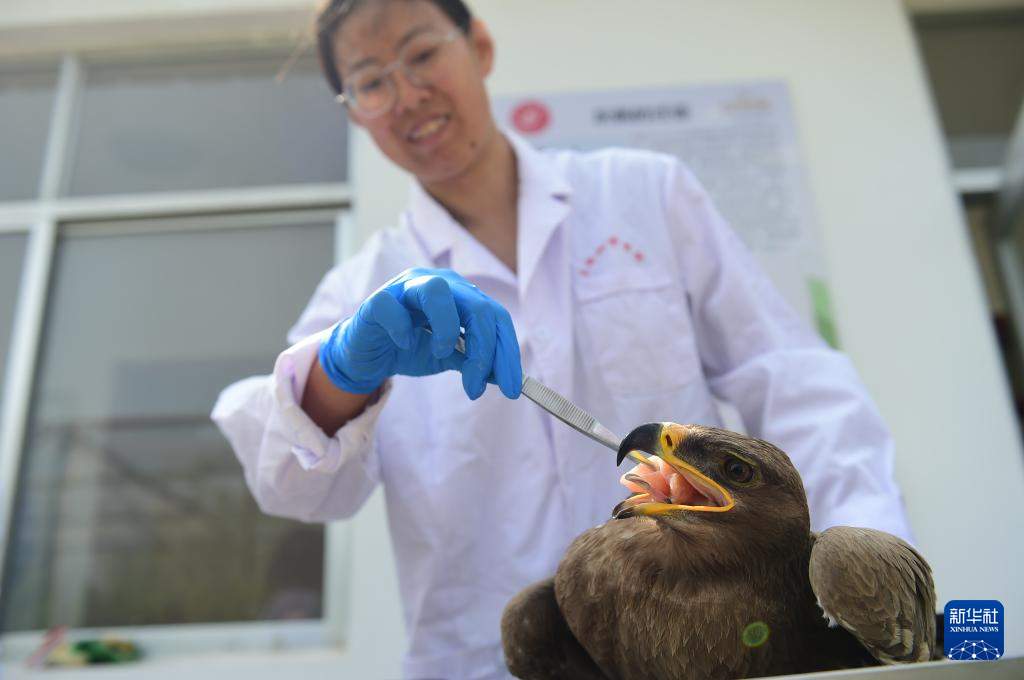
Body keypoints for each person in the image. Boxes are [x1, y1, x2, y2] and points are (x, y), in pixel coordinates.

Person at [212, 0, 914, 677]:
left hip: (713, 647)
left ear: (480, 47)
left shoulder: (644, 195)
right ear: (354, 113)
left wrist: (871, 584)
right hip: (494, 658)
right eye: (370, 82)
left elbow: (790, 380)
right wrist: (341, 372)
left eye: (421, 54)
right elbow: (291, 487)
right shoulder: (360, 290)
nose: (407, 94)